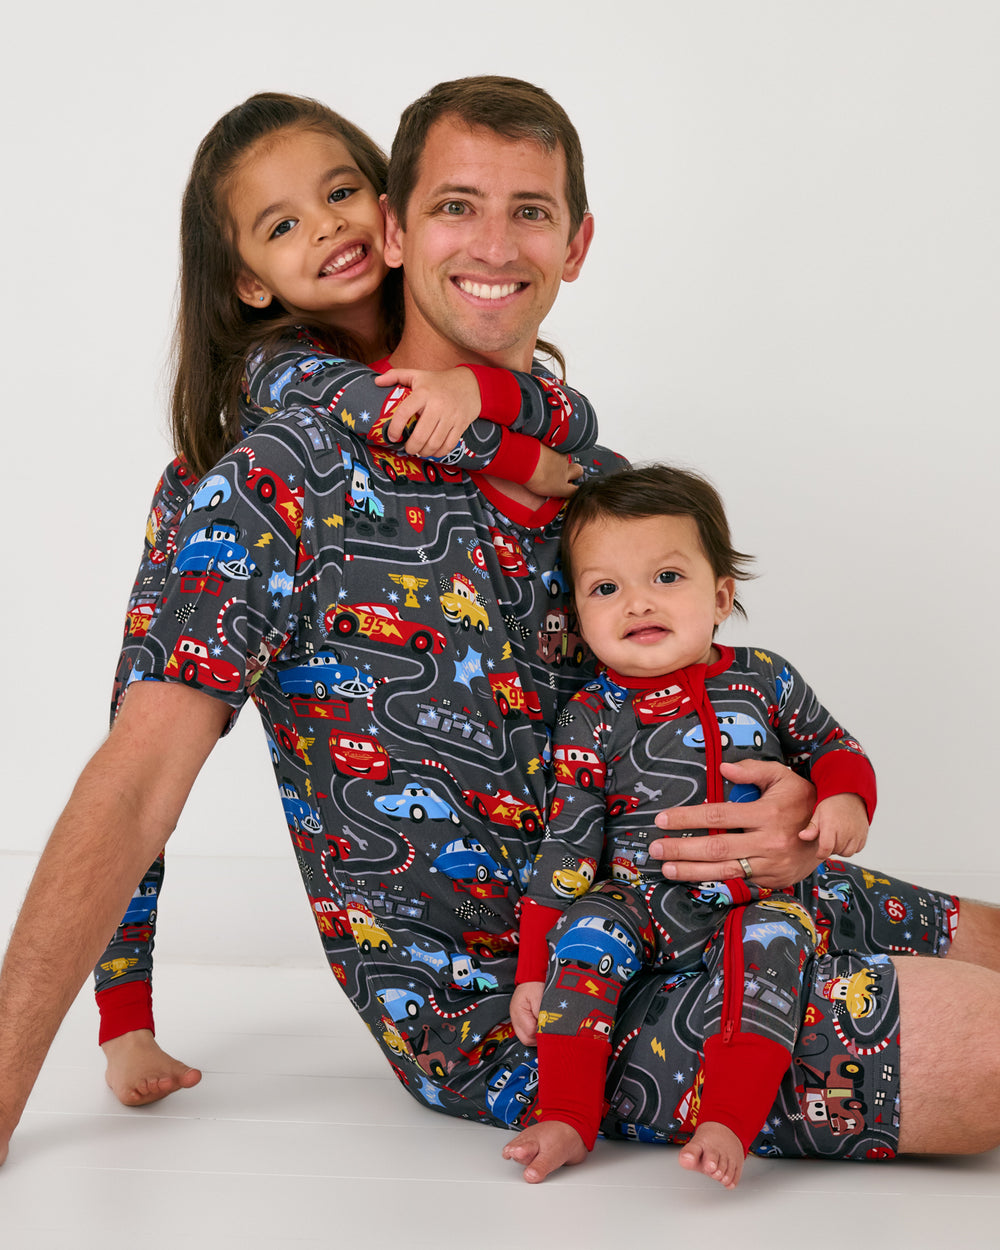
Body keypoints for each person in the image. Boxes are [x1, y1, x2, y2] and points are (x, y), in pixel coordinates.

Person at [3, 76, 1000, 1176]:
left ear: (574, 245)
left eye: (528, 210)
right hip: (518, 1015)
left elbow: (683, 696)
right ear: (396, 227)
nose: (493, 241)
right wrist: (54, 1053)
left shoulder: (594, 485)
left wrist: (797, 803)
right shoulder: (279, 474)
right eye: (455, 205)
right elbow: (137, 773)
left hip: (709, 897)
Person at [93, 90, 602, 1105]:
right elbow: (136, 774)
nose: (325, 227)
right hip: (457, 991)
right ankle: (116, 1017)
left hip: (579, 901)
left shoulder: (468, 377)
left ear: (390, 212)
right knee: (136, 751)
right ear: (245, 278)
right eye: (283, 224)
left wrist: (498, 407)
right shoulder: (281, 405)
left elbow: (570, 413)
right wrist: (125, 1020)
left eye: (339, 194)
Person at [506, 464, 878, 1187]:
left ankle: (729, 1120)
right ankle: (566, 1115)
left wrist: (846, 801)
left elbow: (835, 749)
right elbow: (568, 844)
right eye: (605, 588)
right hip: (639, 898)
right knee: (587, 932)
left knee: (773, 949)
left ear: (720, 596)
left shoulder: (764, 679)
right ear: (579, 615)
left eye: (666, 577)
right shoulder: (590, 714)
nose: (637, 601)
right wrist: (531, 972)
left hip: (755, 898)